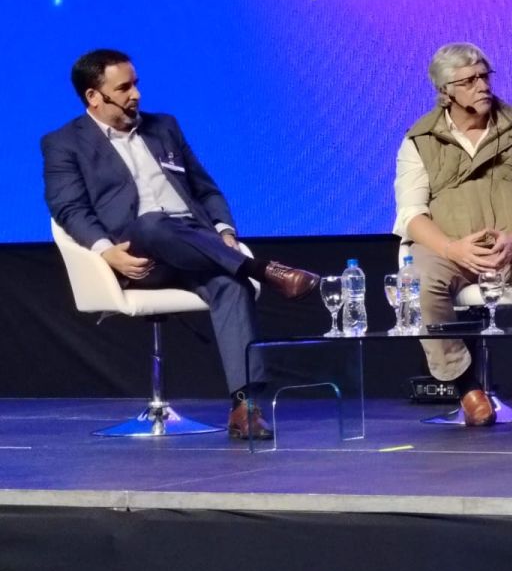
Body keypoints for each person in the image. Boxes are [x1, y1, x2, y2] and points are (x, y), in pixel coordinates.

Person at [42, 49, 320, 441]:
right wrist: (106, 251)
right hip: (136, 251)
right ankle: (263, 270)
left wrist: (224, 230)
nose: (136, 94)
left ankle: (245, 407)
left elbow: (206, 190)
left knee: (232, 285)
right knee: (154, 223)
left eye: (136, 83)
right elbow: (69, 208)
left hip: (195, 244)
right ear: (94, 96)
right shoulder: (63, 143)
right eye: (124, 88)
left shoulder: (164, 127)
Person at [394, 43, 512, 427]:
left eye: (485, 76)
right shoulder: (419, 139)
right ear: (446, 92)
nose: (483, 86)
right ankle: (466, 386)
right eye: (469, 81)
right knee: (418, 281)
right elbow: (410, 214)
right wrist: (451, 248)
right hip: (450, 247)